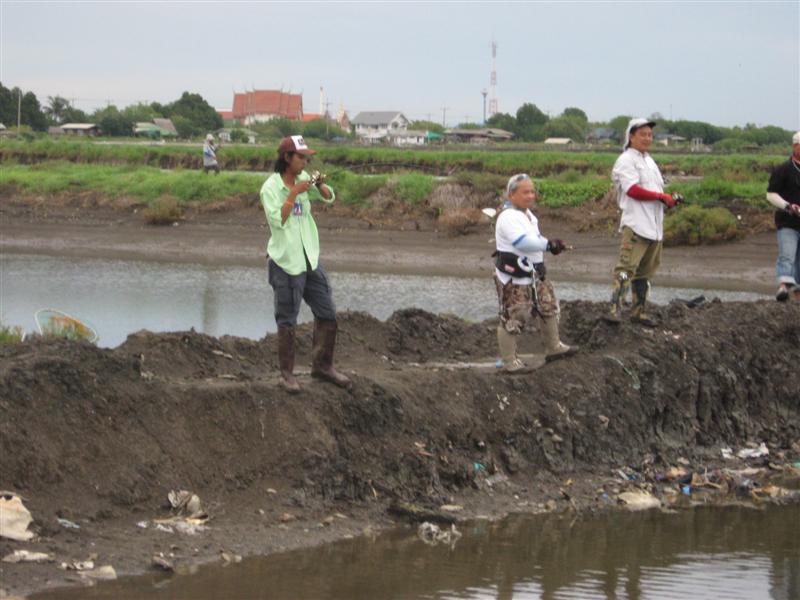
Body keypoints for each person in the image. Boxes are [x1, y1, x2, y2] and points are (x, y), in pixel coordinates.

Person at [260, 135, 351, 393]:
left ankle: (323, 367)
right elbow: (278, 220)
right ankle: (287, 375)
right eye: (301, 157)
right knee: (287, 318)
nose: (305, 162)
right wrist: (293, 194)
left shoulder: (303, 179)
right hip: (286, 262)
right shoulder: (270, 188)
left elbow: (329, 197)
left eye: (307, 158)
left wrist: (320, 185)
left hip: (309, 257)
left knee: (327, 311)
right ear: (287, 158)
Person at [493, 173, 578, 373]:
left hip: (535, 274)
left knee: (548, 307)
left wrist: (554, 245)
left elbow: (535, 240)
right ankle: (509, 362)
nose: (530, 196)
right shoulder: (508, 217)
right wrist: (549, 244)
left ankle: (553, 347)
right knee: (514, 316)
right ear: (512, 194)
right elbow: (522, 242)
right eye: (525, 192)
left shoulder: (529, 216)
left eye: (532, 191)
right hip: (514, 277)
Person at [604, 118, 678, 326]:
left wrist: (667, 200)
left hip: (654, 227)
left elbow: (656, 193)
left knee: (645, 272)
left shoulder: (650, 161)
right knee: (627, 268)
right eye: (643, 134)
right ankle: (614, 310)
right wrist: (660, 197)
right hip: (636, 224)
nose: (647, 138)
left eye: (650, 135)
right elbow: (633, 190)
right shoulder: (626, 160)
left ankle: (638, 311)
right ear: (631, 136)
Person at [766, 131, 800, 302]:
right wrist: (788, 206)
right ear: (795, 147)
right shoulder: (782, 170)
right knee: (787, 254)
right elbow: (771, 195)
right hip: (787, 222)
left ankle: (798, 294)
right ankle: (783, 287)